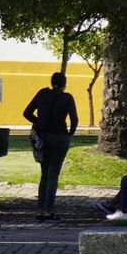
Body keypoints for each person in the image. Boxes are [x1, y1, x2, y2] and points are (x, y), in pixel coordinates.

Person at [23, 72, 79, 221]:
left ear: (51, 81)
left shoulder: (42, 94)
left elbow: (26, 112)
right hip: (60, 136)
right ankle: (49, 210)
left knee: (44, 174)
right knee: (53, 175)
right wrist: (70, 134)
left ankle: (40, 210)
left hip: (43, 136)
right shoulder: (67, 98)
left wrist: (38, 122)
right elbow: (74, 119)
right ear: (64, 83)